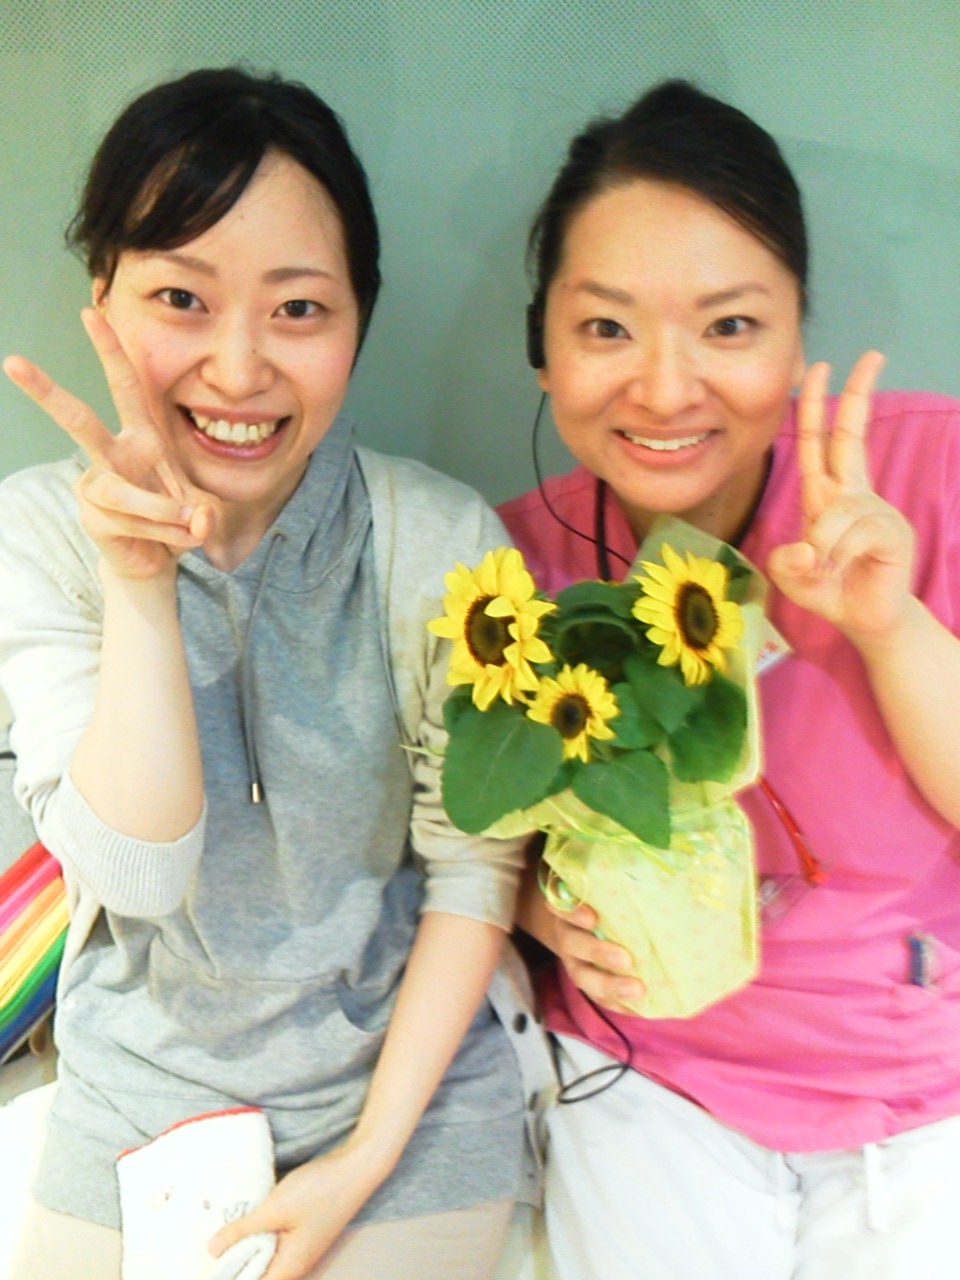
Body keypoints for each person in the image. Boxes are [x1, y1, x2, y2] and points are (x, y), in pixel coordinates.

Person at [0, 66, 539, 1280]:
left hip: (407, 1097)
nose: (238, 369)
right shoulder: (36, 534)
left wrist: (362, 1158)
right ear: (103, 298)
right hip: (140, 1089)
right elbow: (135, 873)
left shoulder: (441, 540)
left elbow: (474, 868)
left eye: (298, 308)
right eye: (181, 298)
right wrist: (141, 583)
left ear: (359, 318)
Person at [498, 79, 960, 1280]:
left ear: (797, 337)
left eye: (729, 326)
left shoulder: (929, 470)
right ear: (543, 347)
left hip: (926, 1081)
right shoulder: (509, 572)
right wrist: (541, 912)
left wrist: (892, 627)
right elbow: (463, 845)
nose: (664, 388)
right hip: (650, 1074)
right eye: (607, 328)